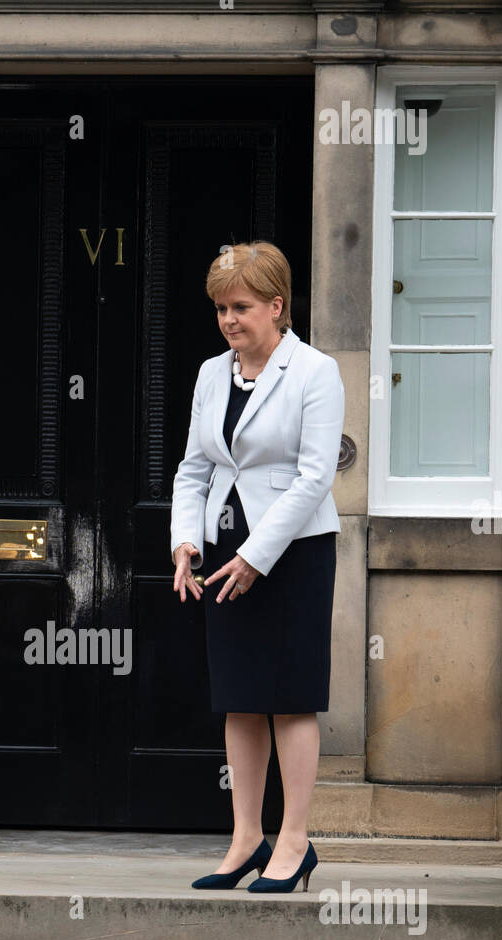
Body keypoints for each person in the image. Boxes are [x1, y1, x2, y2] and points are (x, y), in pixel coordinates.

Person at [170, 241, 344, 894]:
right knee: (239, 699)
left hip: (292, 550)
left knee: (289, 698)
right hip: (223, 546)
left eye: (240, 307)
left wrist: (254, 554)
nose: (227, 320)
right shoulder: (212, 374)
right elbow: (195, 466)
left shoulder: (314, 372)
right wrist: (186, 540)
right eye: (219, 308)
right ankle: (246, 838)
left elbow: (313, 477)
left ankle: (294, 841)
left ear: (277, 305)